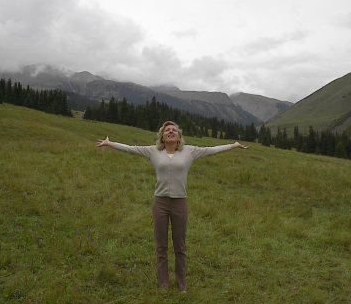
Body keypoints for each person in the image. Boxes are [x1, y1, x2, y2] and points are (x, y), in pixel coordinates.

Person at [95, 120, 248, 292]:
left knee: (180, 245)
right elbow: (131, 148)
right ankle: (163, 284)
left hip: (180, 203)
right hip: (160, 202)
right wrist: (110, 143)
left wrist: (233, 145)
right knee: (161, 245)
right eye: (167, 130)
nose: (170, 132)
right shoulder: (153, 151)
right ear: (162, 136)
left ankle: (182, 284)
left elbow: (212, 150)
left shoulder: (189, 151)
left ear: (179, 136)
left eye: (174, 130)